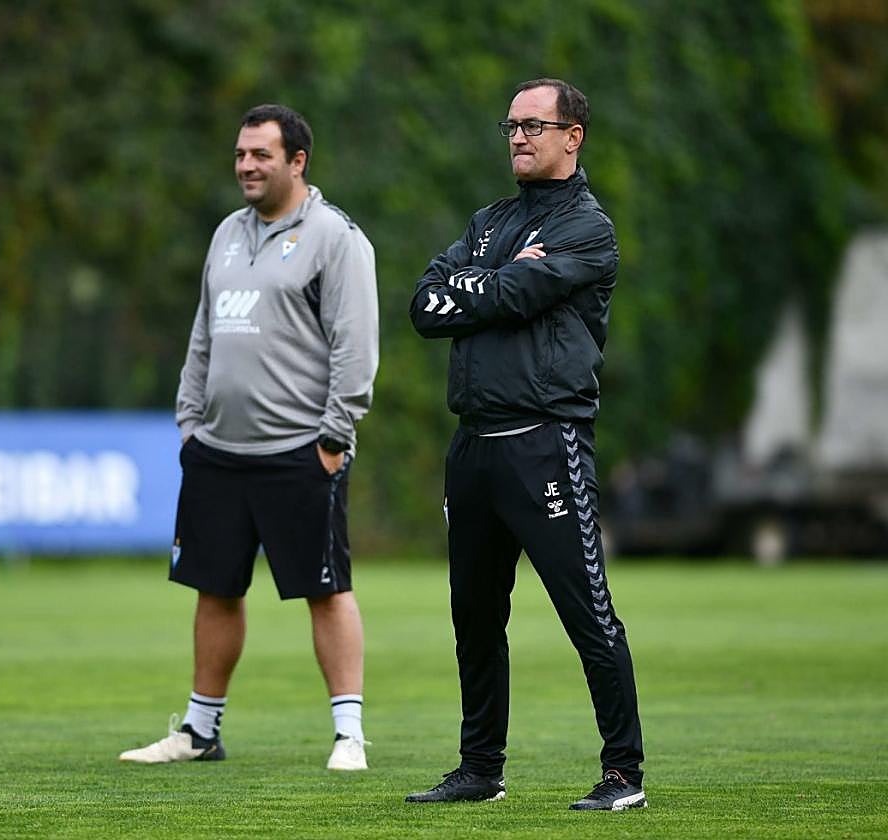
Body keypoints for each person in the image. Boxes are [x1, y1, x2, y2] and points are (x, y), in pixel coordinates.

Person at [405, 79, 646, 810]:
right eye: (511, 125)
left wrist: (484, 287)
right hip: (473, 449)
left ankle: (623, 775)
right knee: (475, 618)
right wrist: (496, 278)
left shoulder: (588, 228)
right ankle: (481, 768)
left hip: (544, 442)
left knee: (587, 613)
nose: (518, 137)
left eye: (534, 125)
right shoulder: (489, 221)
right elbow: (425, 303)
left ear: (573, 136)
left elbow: (508, 297)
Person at [119, 104, 379, 771]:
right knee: (215, 587)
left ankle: (348, 735)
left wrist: (334, 435)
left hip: (301, 449)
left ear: (297, 161)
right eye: (240, 154)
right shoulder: (227, 234)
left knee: (326, 589)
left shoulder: (334, 237)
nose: (245, 166)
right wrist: (188, 423)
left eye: (260, 154)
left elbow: (356, 346)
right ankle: (200, 732)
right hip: (218, 451)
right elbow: (203, 334)